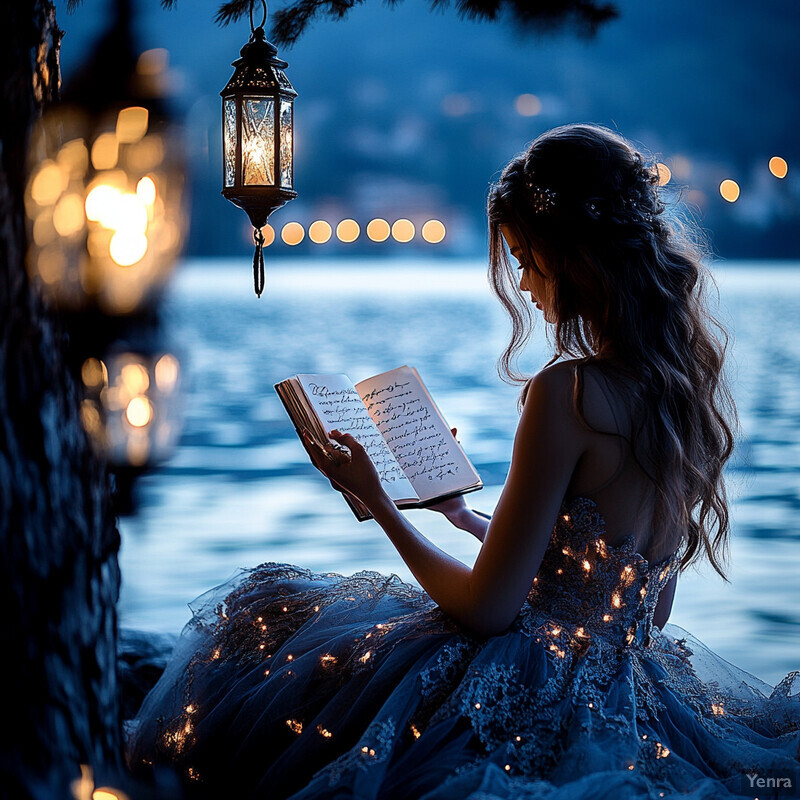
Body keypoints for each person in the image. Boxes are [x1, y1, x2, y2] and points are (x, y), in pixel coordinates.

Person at [128, 124, 800, 799]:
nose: (524, 284)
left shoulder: (568, 392)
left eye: (523, 257)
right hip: (633, 694)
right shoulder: (680, 395)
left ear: (567, 255)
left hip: (533, 689)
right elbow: (637, 610)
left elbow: (487, 612)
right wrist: (464, 518)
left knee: (260, 616)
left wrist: (380, 502)